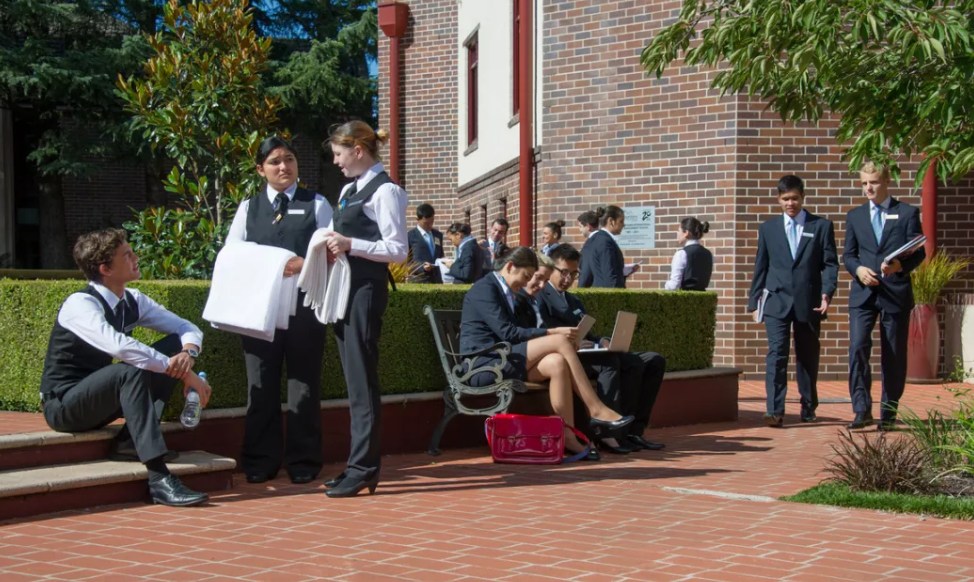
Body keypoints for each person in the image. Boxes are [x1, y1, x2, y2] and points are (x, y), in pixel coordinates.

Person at [40, 229, 212, 506]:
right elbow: (120, 347)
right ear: (105, 269)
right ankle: (159, 479)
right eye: (127, 255)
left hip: (101, 399)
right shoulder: (80, 304)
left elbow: (185, 327)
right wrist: (185, 373)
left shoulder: (132, 300)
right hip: (64, 406)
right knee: (131, 368)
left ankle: (129, 443)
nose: (136, 258)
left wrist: (187, 354)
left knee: (170, 348)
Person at [226, 136, 333, 485]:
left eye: (289, 159)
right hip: (260, 310)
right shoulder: (248, 208)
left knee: (304, 386)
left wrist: (307, 261)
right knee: (261, 386)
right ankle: (259, 460)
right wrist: (274, 264)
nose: (283, 167)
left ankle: (304, 461)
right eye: (274, 161)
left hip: (305, 308)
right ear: (260, 169)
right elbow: (233, 255)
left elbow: (332, 252)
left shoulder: (317, 204)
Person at [460, 247, 635, 459]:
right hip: (483, 365)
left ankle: (567, 435)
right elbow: (508, 332)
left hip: (502, 358)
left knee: (556, 362)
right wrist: (551, 332)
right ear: (509, 266)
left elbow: (511, 334)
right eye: (526, 276)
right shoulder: (485, 289)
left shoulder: (506, 291)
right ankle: (596, 409)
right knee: (560, 341)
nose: (526, 283)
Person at [322, 121, 408, 496]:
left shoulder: (387, 191)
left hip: (366, 291)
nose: (337, 163)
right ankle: (357, 465)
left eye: (339, 155)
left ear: (358, 150)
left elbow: (398, 249)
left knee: (362, 379)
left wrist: (349, 243)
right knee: (353, 379)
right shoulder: (347, 190)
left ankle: (364, 468)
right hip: (344, 289)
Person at [538, 243, 667, 452]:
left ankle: (633, 431)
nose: (568, 279)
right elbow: (544, 332)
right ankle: (608, 433)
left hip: (586, 351)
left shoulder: (574, 300)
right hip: (566, 356)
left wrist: (602, 342)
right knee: (609, 362)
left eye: (573, 274)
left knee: (650, 361)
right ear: (551, 269)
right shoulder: (541, 296)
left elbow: (587, 334)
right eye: (563, 272)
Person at [747, 176, 838, 427]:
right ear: (778, 199)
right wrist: (754, 301)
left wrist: (827, 292)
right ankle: (774, 410)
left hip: (809, 301)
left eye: (795, 198)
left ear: (803, 197)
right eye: (786, 199)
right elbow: (761, 265)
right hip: (776, 300)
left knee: (807, 356)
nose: (791, 203)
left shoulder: (821, 226)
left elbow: (830, 264)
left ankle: (808, 406)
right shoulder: (768, 229)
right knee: (776, 354)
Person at [843, 161, 925, 431]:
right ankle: (861, 409)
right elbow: (849, 255)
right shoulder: (855, 216)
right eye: (864, 182)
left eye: (874, 182)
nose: (868, 187)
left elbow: (919, 251)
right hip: (864, 293)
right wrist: (858, 269)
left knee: (893, 353)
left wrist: (900, 266)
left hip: (895, 293)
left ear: (887, 181)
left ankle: (888, 413)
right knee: (857, 347)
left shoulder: (907, 213)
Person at [578, 206, 635, 288]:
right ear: (611, 221)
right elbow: (609, 275)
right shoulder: (605, 242)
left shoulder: (598, 239)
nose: (623, 225)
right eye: (621, 221)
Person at [664, 217, 714, 291]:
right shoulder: (708, 254)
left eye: (679, 231)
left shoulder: (681, 254)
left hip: (686, 298)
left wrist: (666, 285)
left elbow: (675, 285)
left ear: (686, 233)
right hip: (703, 298)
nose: (677, 234)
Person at [407, 203, 444, 283]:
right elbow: (406, 262)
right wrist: (422, 267)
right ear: (418, 220)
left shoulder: (438, 235)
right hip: (419, 280)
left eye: (431, 222)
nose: (429, 226)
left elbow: (440, 255)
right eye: (426, 223)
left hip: (436, 280)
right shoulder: (410, 236)